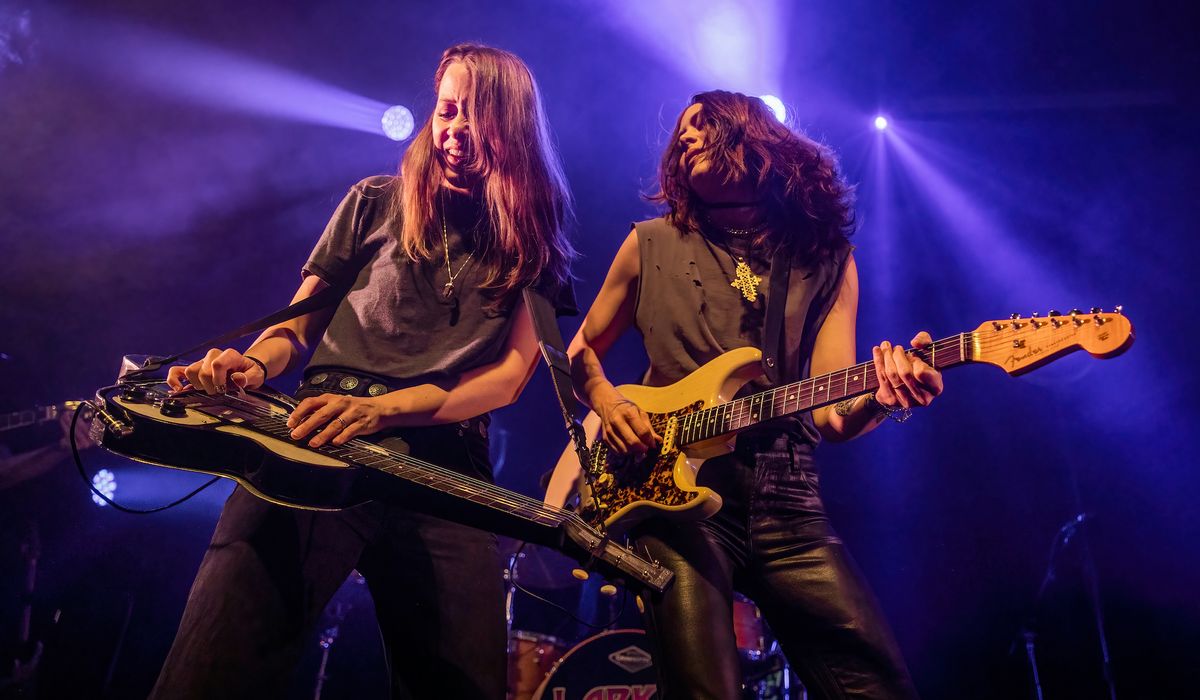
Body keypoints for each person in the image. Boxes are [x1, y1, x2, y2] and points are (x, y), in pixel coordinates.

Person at [151, 43, 575, 699]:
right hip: (316, 443)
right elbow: (293, 331)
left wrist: (387, 409)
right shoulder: (375, 202)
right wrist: (248, 366)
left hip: (444, 470)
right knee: (211, 672)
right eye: (445, 112)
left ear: (510, 124)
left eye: (472, 116)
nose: (453, 132)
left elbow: (512, 376)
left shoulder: (535, 239)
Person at [563, 91, 942, 698]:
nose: (683, 139)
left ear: (752, 136)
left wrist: (885, 394)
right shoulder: (650, 243)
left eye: (701, 126)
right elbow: (580, 352)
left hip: (787, 495)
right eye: (680, 133)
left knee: (876, 685)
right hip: (673, 492)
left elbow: (834, 415)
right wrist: (611, 404)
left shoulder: (826, 259)